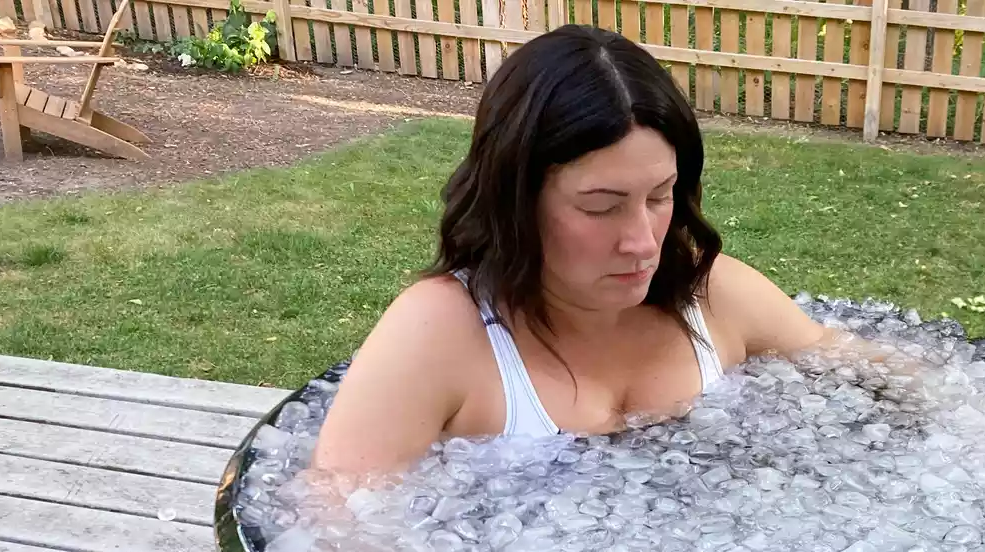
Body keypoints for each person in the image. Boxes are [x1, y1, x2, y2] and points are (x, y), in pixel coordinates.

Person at [311, 24, 833, 475]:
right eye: (601, 206)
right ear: (516, 201)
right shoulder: (440, 333)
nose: (642, 240)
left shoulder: (713, 294)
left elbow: (863, 370)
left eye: (658, 196)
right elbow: (335, 527)